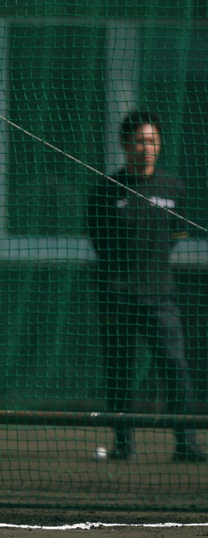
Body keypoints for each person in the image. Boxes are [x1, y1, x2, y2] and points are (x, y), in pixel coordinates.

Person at [86, 111, 205, 463]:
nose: (146, 148)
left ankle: (186, 445)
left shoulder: (174, 188)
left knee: (175, 367)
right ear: (125, 144)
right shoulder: (105, 191)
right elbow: (98, 241)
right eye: (139, 141)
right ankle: (123, 446)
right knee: (119, 370)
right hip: (117, 297)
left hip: (161, 297)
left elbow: (176, 237)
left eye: (152, 141)